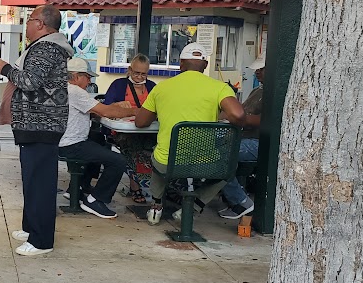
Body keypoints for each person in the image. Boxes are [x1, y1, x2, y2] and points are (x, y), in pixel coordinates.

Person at [135, 43, 246, 225]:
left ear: (181, 64)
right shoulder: (219, 87)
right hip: (205, 164)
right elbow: (238, 115)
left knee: (158, 156)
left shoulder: (162, 87)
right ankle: (194, 207)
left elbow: (140, 122)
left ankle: (156, 206)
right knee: (228, 168)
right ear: (205, 65)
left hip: (168, 163)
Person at [0, 4, 73, 257]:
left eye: (30, 19)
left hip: (42, 124)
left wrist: (5, 68)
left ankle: (41, 241)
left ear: (41, 24)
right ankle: (31, 228)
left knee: (40, 184)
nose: (26, 24)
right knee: (31, 180)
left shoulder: (47, 47)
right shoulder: (43, 46)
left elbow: (30, 81)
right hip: (35, 124)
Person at [59, 58, 134, 219]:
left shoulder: (61, 88)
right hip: (72, 144)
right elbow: (105, 112)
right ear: (76, 76)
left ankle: (78, 187)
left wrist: (114, 106)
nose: (89, 81)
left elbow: (96, 110)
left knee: (98, 139)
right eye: (88, 77)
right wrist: (136, 111)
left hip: (61, 142)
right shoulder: (75, 91)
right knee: (118, 160)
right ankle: (96, 200)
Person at [103, 54, 157, 204]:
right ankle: (135, 186)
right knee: (132, 148)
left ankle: (160, 187)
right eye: (136, 73)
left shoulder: (152, 87)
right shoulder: (118, 85)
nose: (139, 77)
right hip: (123, 131)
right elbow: (106, 107)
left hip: (147, 130)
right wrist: (117, 105)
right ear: (129, 70)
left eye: (143, 74)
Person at [217, 54, 265, 219]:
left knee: (220, 155)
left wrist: (237, 118)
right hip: (242, 136)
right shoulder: (257, 90)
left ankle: (241, 201)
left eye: (261, 69)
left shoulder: (274, 94)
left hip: (259, 143)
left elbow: (262, 121)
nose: (257, 72)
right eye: (257, 69)